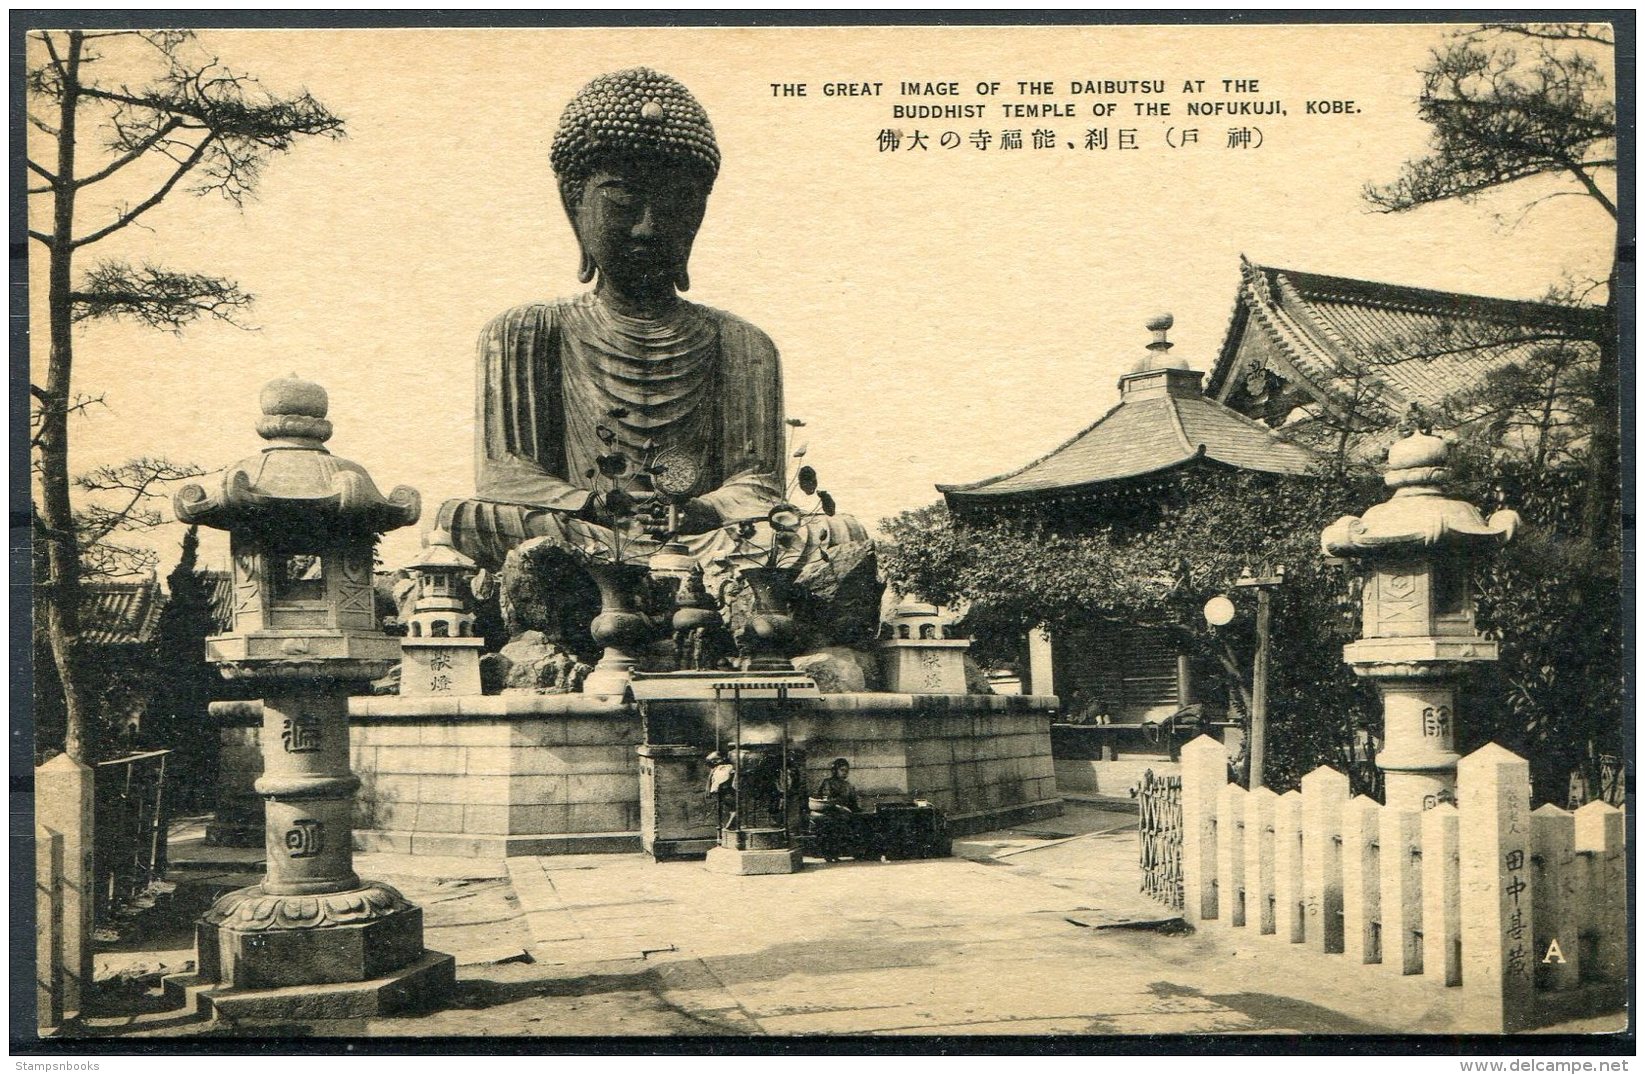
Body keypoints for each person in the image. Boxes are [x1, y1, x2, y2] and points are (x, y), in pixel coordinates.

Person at [436, 69, 867, 632]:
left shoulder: (742, 343)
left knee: (837, 532)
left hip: (703, 533)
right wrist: (595, 505)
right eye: (621, 201)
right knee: (459, 520)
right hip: (588, 528)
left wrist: (704, 509)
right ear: (574, 204)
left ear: (700, 214)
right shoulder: (524, 331)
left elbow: (756, 483)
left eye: (675, 205)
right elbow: (506, 476)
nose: (648, 228)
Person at [810, 757, 861, 861]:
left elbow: (853, 802)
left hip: (844, 813)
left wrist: (857, 810)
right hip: (829, 812)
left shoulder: (848, 785)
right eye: (842, 770)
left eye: (846, 771)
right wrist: (840, 807)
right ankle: (830, 854)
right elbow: (826, 799)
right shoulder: (828, 782)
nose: (844, 773)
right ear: (835, 770)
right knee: (832, 826)